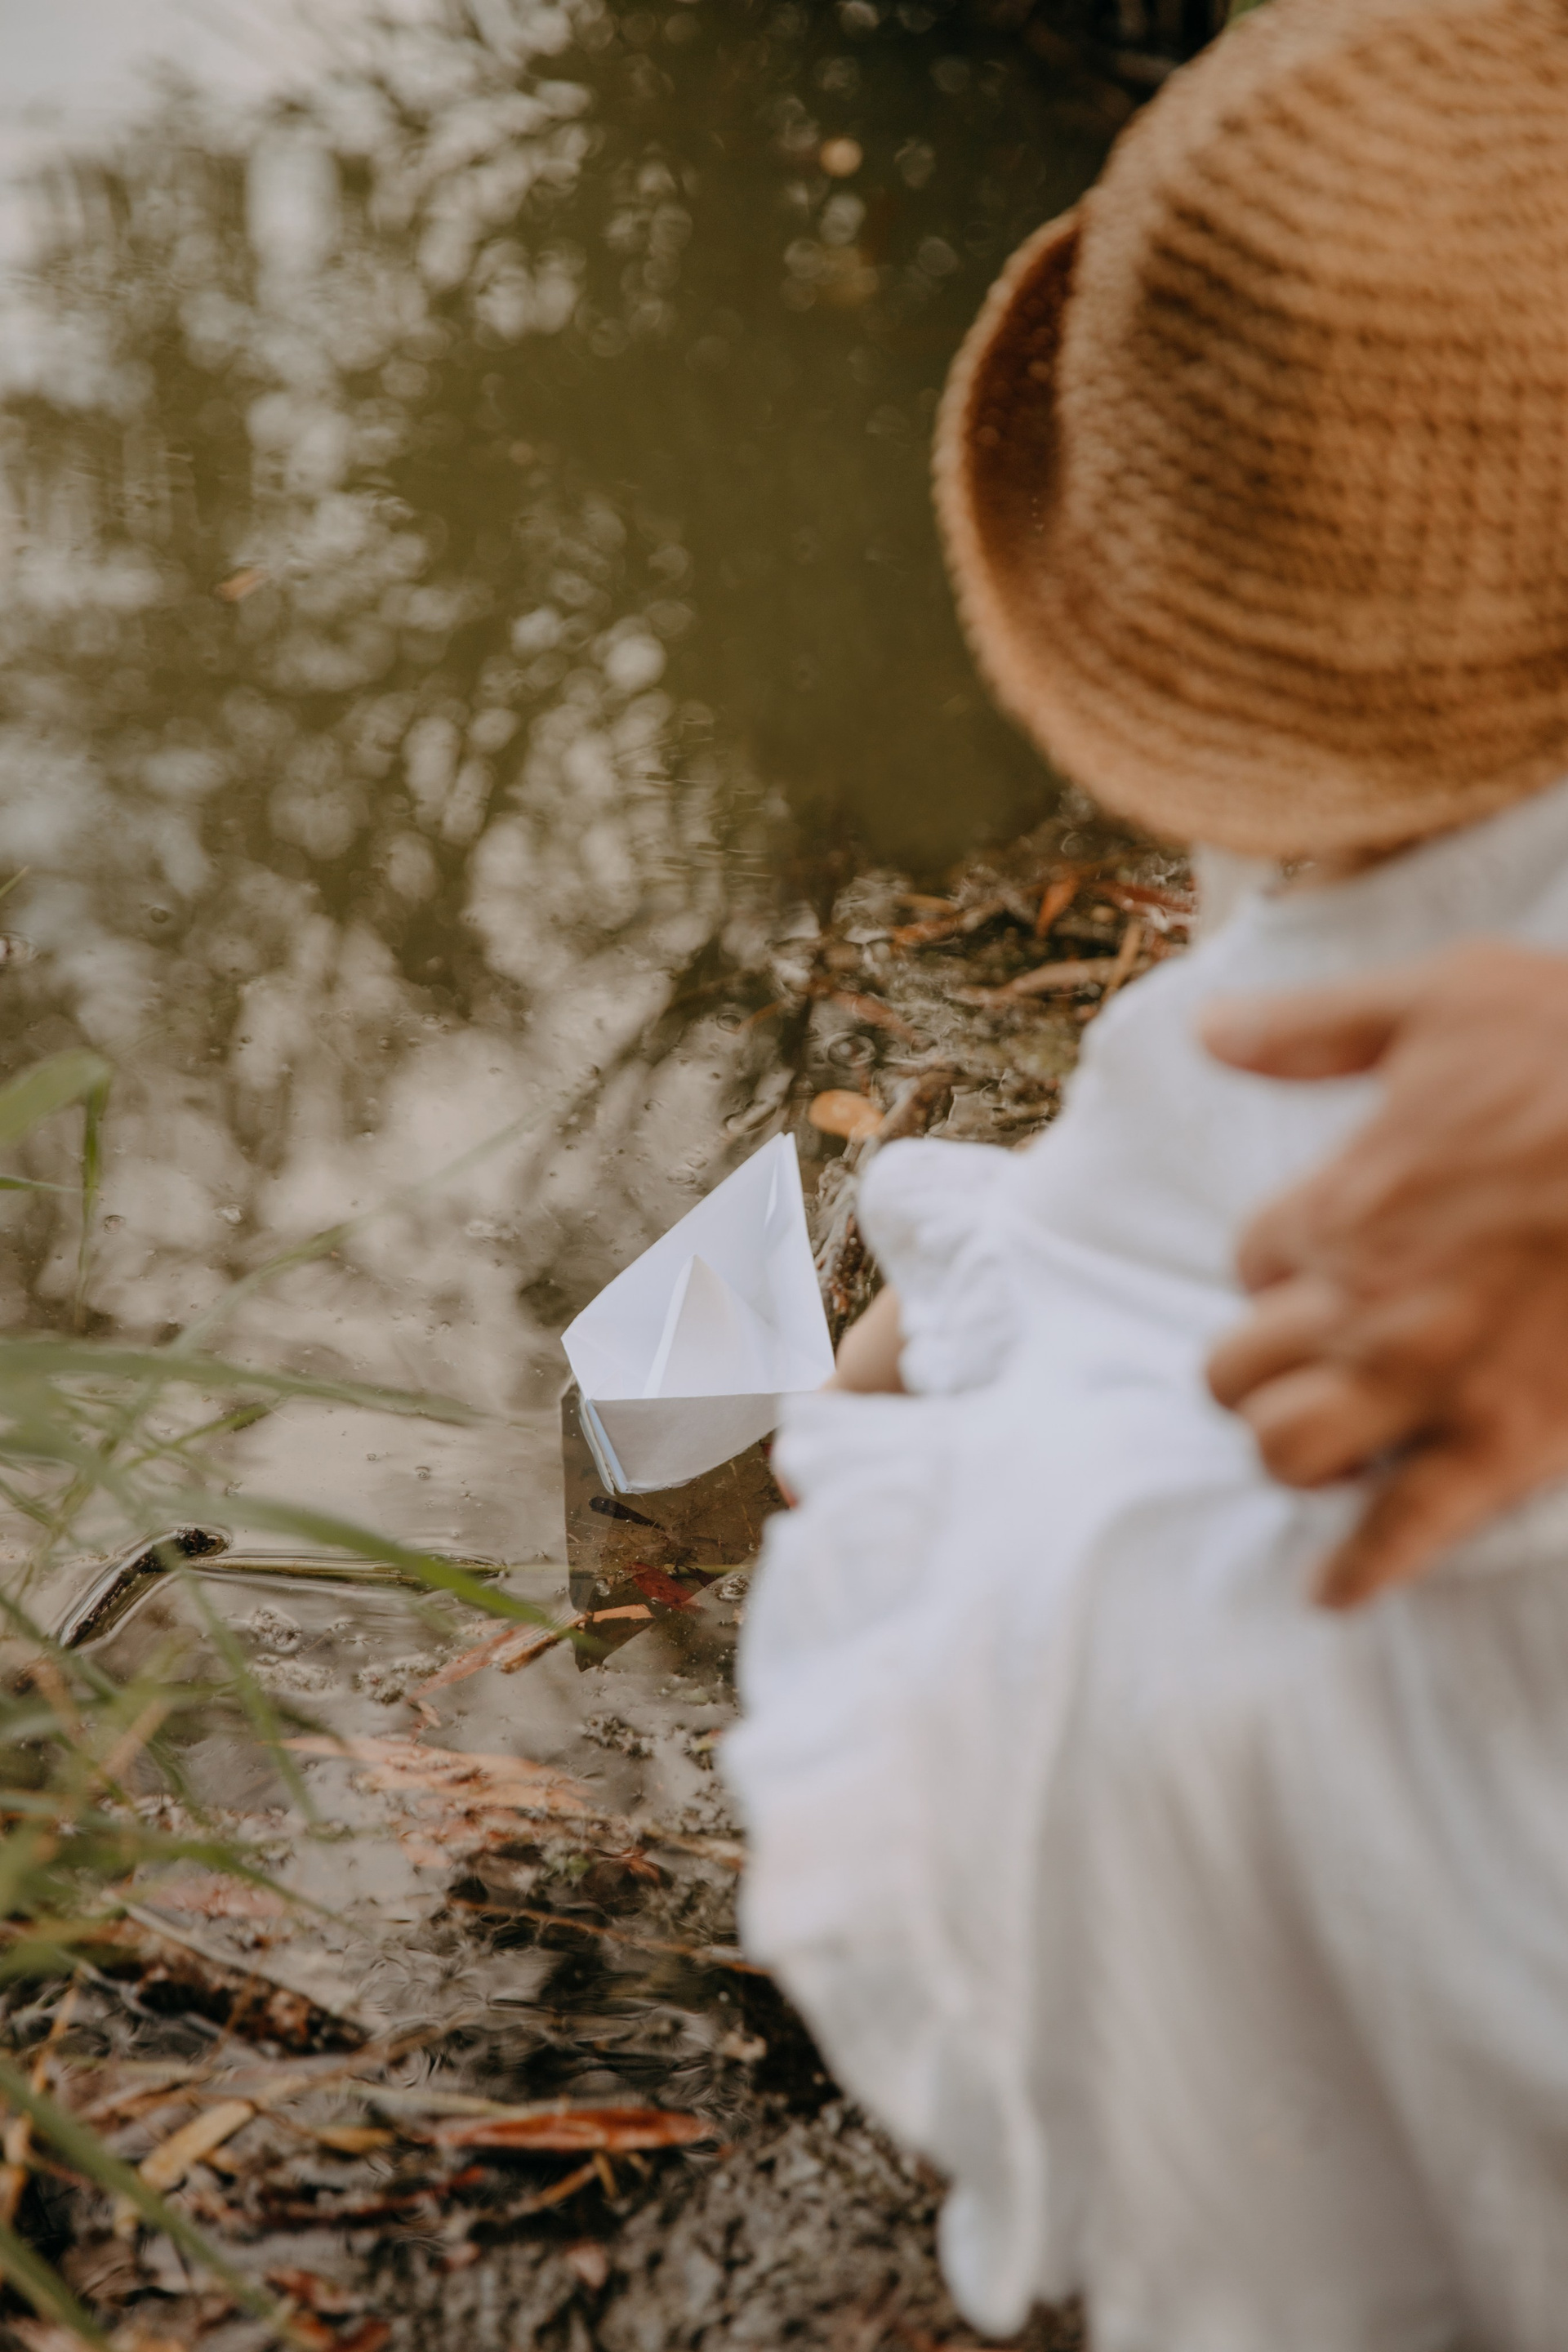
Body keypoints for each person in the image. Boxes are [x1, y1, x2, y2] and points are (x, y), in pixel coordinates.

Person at [719, 6, 1568, 2347]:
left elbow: (1161, 1295)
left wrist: (929, 1413)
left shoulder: (1317, 1036)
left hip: (1415, 1950)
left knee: (981, 1502)